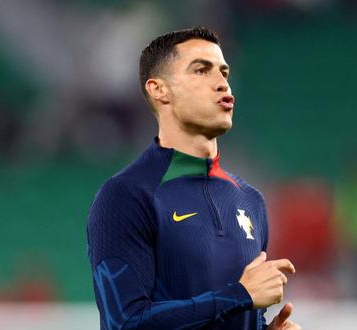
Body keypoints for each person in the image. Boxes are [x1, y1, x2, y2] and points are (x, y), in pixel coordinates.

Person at [87, 26, 300, 329]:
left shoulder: (250, 200)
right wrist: (238, 295)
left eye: (224, 73)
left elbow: (238, 312)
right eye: (202, 70)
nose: (222, 84)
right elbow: (125, 323)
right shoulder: (126, 196)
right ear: (159, 89)